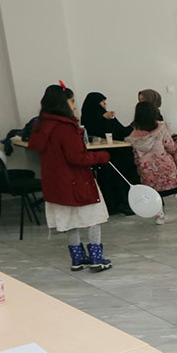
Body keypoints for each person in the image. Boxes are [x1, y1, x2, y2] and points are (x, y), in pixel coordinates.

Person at [28, 84, 113, 272]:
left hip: (55, 182)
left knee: (69, 221)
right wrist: (102, 156)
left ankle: (78, 259)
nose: (74, 107)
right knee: (93, 217)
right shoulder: (65, 127)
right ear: (62, 103)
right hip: (77, 179)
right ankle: (97, 259)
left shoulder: (41, 125)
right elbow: (77, 157)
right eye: (72, 102)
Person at [126, 101, 177, 225]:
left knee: (155, 193)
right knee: (176, 190)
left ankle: (160, 216)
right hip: (165, 166)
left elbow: (136, 156)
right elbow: (171, 148)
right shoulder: (161, 129)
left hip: (147, 170)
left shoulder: (134, 136)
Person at [140, 88, 177, 186]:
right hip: (150, 161)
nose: (140, 102)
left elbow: (168, 144)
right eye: (139, 99)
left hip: (160, 159)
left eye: (142, 99)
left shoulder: (158, 119)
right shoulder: (141, 117)